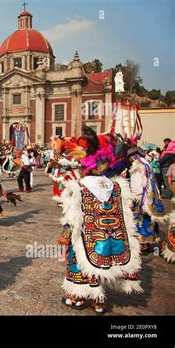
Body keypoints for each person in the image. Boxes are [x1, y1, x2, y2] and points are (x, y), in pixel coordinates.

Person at [59, 129, 143, 314]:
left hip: (86, 235)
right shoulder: (116, 186)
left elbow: (71, 216)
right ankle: (99, 302)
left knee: (80, 262)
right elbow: (126, 212)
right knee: (103, 265)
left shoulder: (79, 187)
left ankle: (78, 297)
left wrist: (65, 234)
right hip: (111, 237)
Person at [128, 147, 166, 255]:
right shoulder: (147, 164)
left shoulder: (137, 166)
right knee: (148, 221)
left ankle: (142, 245)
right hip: (151, 198)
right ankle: (147, 244)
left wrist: (134, 199)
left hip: (142, 199)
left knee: (141, 222)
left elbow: (137, 185)